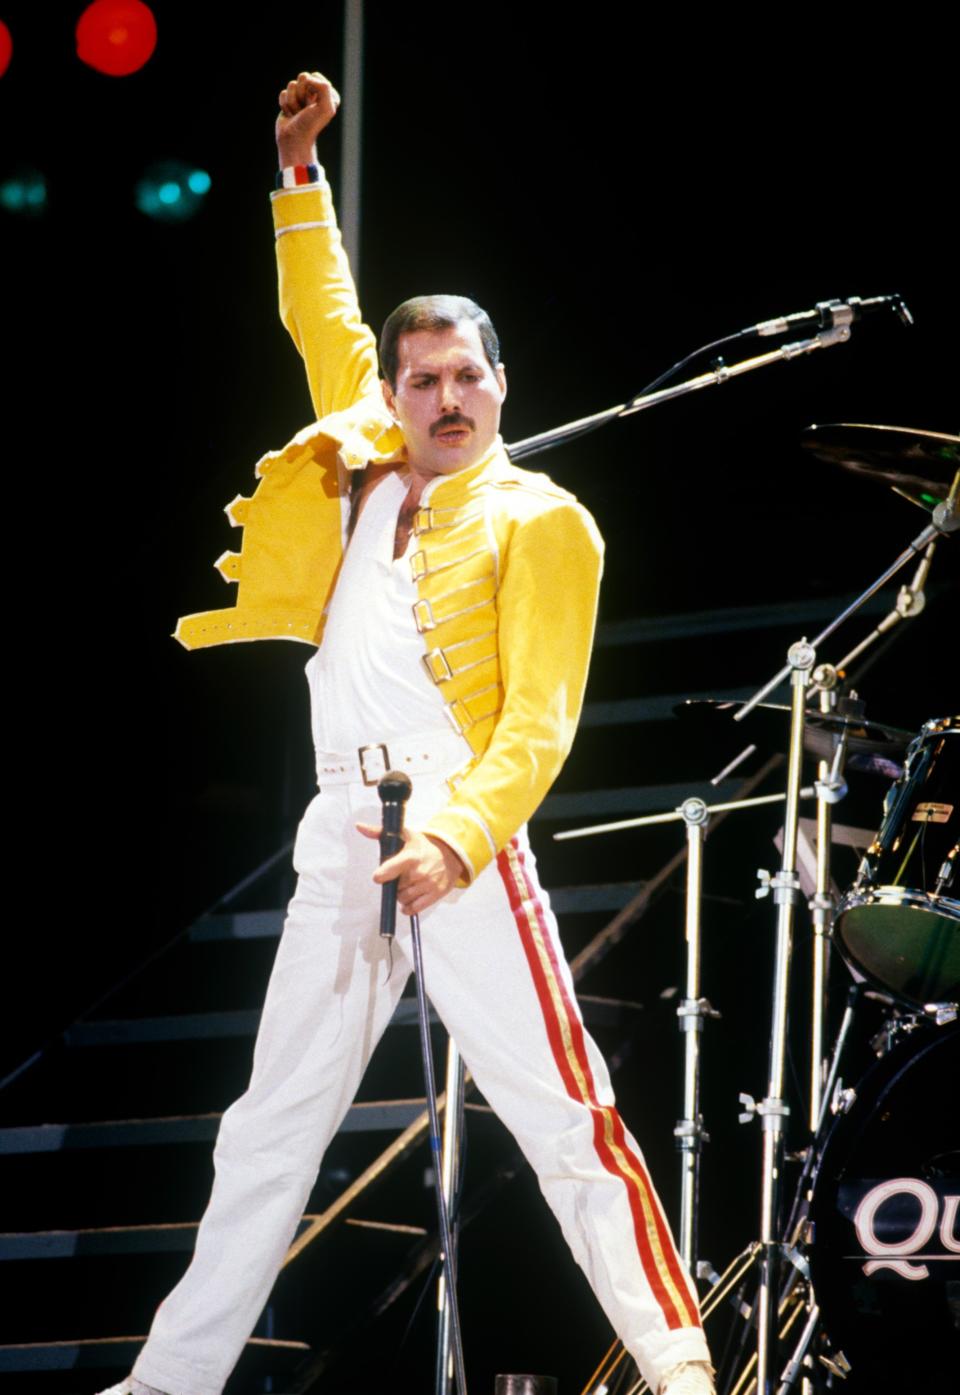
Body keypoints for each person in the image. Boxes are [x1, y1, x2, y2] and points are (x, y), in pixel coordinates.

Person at [99, 72, 714, 1395]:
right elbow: (321, 315)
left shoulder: (541, 520)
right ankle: (166, 1385)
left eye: (465, 375)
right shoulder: (364, 465)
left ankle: (681, 1369)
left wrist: (457, 834)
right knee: (269, 1130)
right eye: (420, 377)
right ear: (396, 388)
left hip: (460, 825)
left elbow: (543, 721)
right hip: (341, 826)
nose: (444, 397)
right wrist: (295, 174)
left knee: (565, 1119)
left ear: (502, 383)